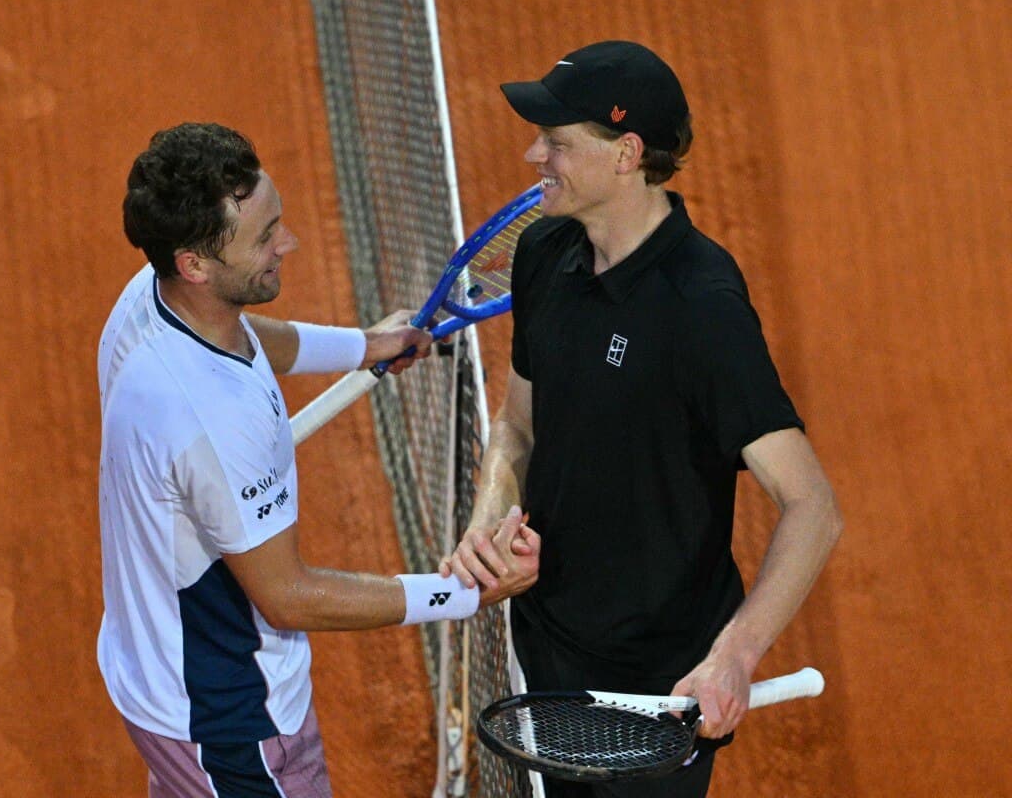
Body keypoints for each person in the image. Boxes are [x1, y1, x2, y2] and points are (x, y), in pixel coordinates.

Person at [443, 41, 843, 797]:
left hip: (660, 686)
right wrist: (488, 521)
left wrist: (735, 655)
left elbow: (812, 506)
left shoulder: (701, 308)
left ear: (626, 154)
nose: (534, 154)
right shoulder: (543, 252)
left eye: (558, 142)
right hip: (547, 648)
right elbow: (517, 428)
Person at [97, 122, 540, 798]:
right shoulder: (214, 421)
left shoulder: (150, 301)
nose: (288, 242)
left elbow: (244, 333)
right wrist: (464, 592)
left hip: (157, 672)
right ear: (195, 263)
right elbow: (287, 596)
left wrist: (365, 345)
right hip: (231, 725)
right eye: (265, 236)